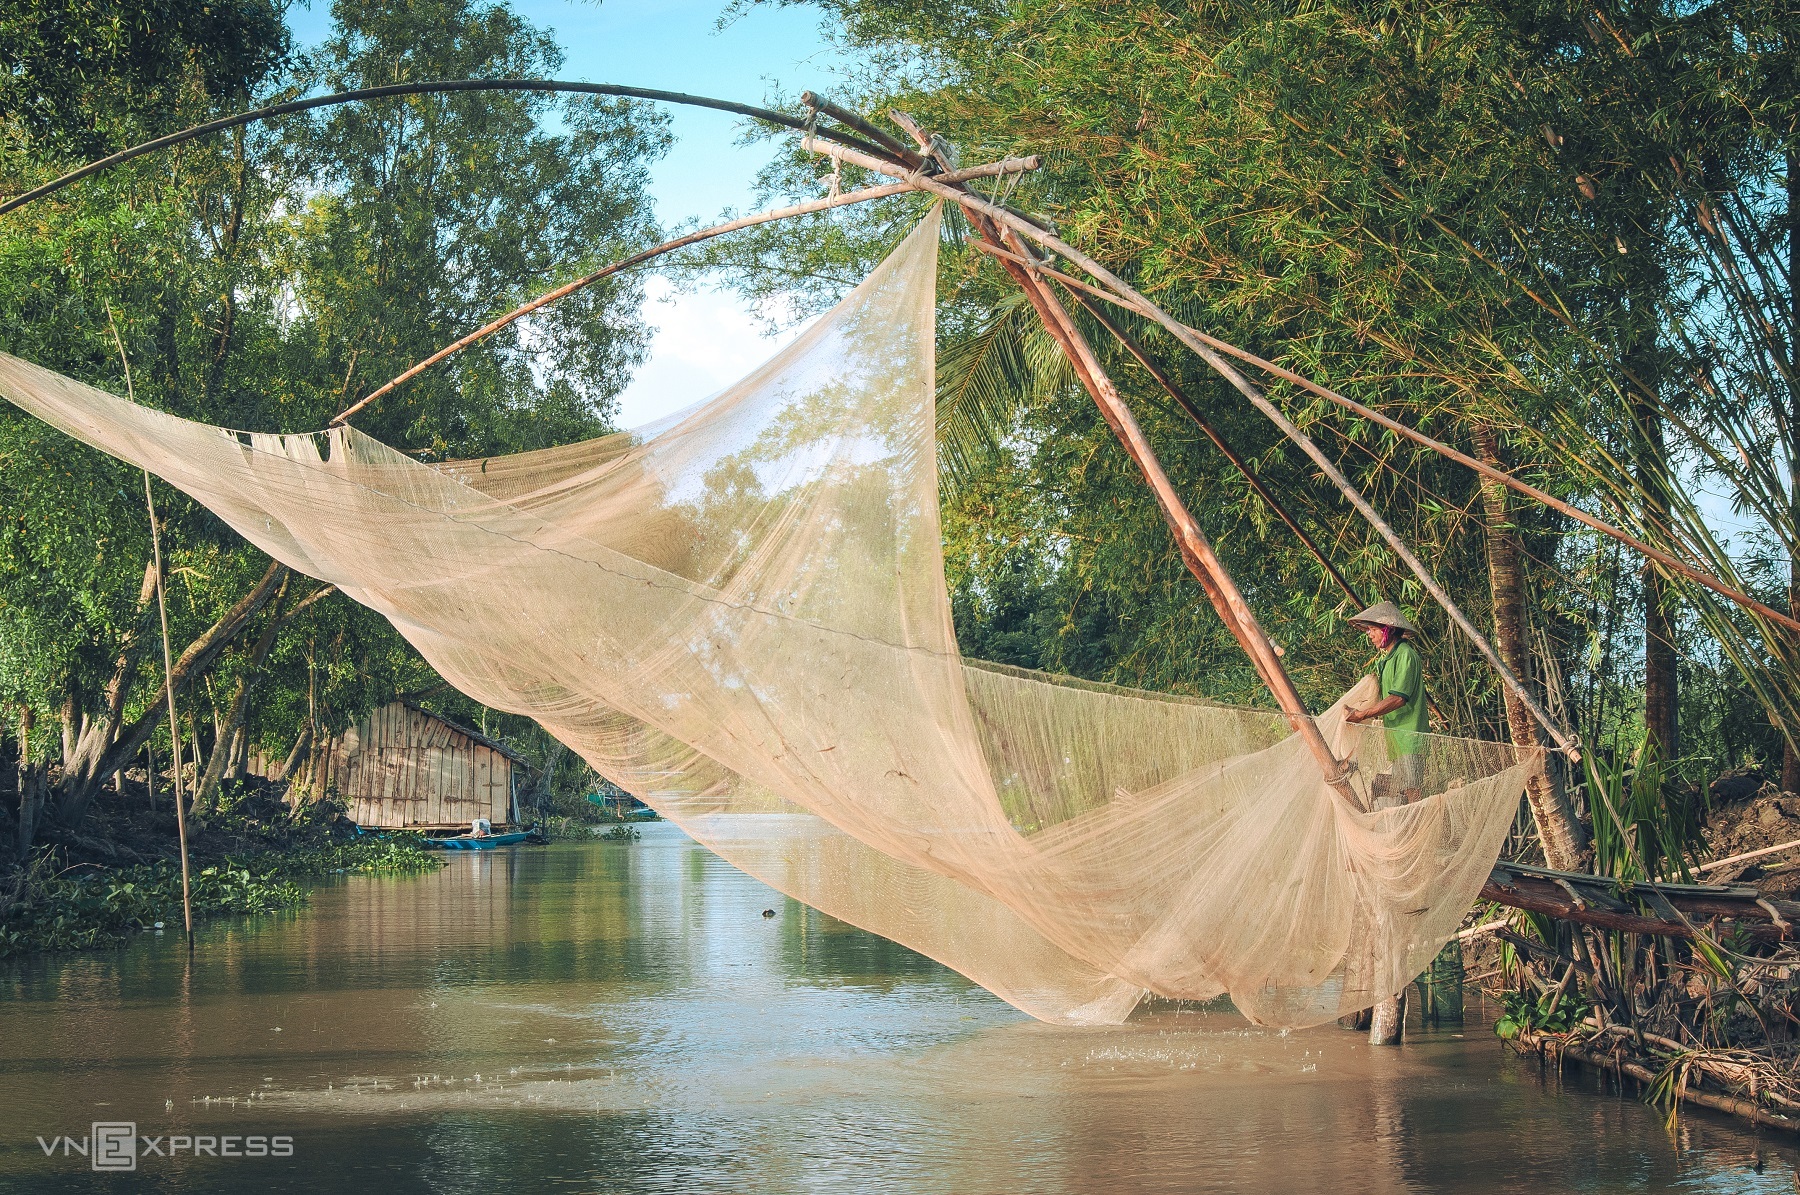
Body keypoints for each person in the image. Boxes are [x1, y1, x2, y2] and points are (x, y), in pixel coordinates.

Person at [1343, 601, 1426, 805]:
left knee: (1412, 790)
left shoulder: (1406, 655)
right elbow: (1385, 699)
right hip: (1396, 737)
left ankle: (1417, 827)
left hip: (1409, 735)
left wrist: (1363, 714)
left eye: (1373, 629)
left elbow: (1398, 698)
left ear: (1388, 630)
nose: (1369, 635)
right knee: (1392, 788)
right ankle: (1402, 826)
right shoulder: (1387, 659)